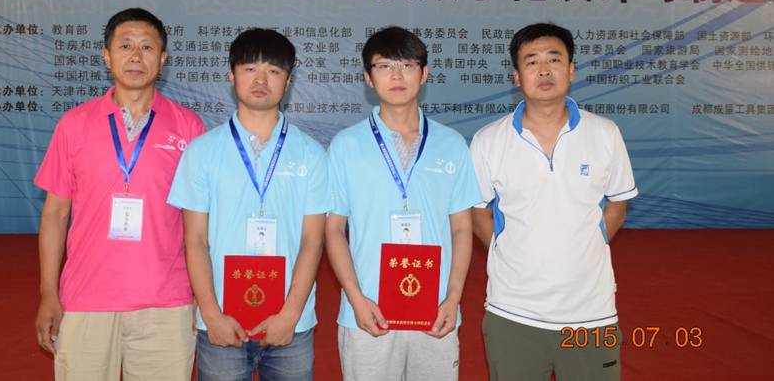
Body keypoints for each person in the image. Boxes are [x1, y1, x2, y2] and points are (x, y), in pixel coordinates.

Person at [34, 8, 206, 381]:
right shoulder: (74, 125)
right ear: (107, 56)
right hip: (86, 299)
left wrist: (201, 296)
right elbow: (55, 215)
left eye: (147, 47)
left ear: (163, 58)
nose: (136, 56)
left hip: (166, 302)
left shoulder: (188, 127)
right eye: (125, 46)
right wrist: (49, 293)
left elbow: (199, 225)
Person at [470, 23, 638, 381]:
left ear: (571, 70)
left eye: (554, 59)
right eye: (532, 62)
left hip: (591, 313)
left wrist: (586, 243)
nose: (544, 70)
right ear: (517, 76)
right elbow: (478, 210)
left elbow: (617, 205)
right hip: (512, 313)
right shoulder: (488, 140)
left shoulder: (604, 133)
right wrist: (504, 247)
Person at [168, 28, 328, 381]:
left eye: (273, 71)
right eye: (250, 68)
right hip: (221, 322)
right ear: (231, 75)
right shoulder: (202, 151)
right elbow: (195, 240)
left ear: (288, 81)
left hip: (291, 326)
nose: (261, 79)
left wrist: (290, 315)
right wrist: (211, 315)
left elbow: (312, 241)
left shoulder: (312, 154)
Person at [325, 26, 482, 381]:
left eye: (407, 65)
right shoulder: (346, 145)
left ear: (424, 74)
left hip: (436, 311)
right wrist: (355, 298)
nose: (396, 75)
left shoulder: (451, 144)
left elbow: (462, 228)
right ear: (368, 77)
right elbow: (333, 229)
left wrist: (453, 298)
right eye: (384, 66)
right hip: (369, 311)